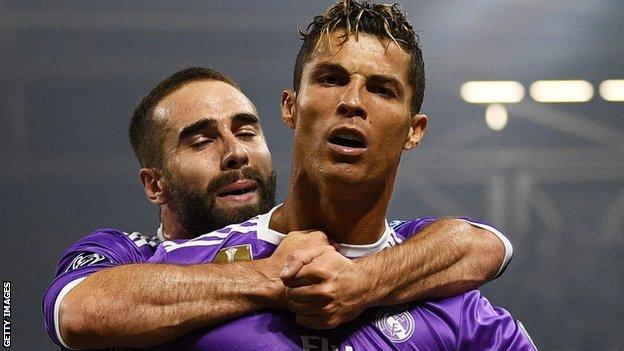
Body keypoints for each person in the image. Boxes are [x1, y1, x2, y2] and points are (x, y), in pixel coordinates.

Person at [42, 22, 513, 351]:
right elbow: (81, 309)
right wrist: (278, 276)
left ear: (415, 129)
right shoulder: (146, 264)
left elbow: (484, 244)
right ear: (291, 108)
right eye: (202, 140)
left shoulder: (420, 265)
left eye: (246, 131)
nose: (235, 153)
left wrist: (358, 280)